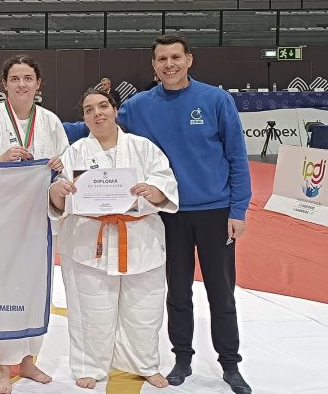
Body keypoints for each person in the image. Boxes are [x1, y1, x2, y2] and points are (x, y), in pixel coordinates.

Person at [117, 33, 253, 394]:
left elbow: (237, 158)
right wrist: (47, 138)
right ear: (153, 65)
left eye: (175, 57)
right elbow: (97, 127)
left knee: (221, 293)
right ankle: (182, 358)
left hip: (215, 212)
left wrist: (238, 211)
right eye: (162, 59)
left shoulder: (216, 100)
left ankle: (230, 364)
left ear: (189, 60)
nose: (169, 65)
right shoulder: (138, 106)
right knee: (177, 291)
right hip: (170, 213)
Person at [49, 88, 178, 390]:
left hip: (140, 239)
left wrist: (155, 191)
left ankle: (145, 363)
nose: (97, 113)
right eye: (89, 109)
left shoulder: (143, 147)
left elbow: (165, 182)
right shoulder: (75, 152)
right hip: (88, 241)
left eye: (103, 106)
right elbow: (57, 193)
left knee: (144, 310)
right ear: (84, 118)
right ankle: (89, 366)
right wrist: (56, 193)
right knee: (90, 309)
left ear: (115, 110)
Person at [0, 54, 67, 392]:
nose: (21, 84)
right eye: (15, 78)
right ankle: (2, 368)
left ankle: (28, 362)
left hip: (39, 220)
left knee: (38, 291)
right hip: (2, 220)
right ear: (4, 84)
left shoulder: (51, 121)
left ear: (38, 83)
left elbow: (66, 166)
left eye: (28, 78)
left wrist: (58, 166)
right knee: (4, 292)